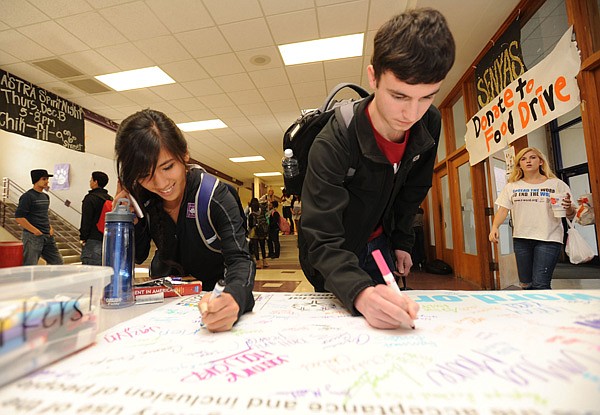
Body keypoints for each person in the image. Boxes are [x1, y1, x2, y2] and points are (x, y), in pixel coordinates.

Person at [299, 8, 455, 329]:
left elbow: (413, 188)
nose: (411, 113)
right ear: (373, 77)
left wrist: (402, 241)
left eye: (426, 97)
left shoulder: (429, 121)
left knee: (395, 324)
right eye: (398, 95)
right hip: (333, 253)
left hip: (381, 243)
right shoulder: (334, 140)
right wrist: (358, 292)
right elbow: (321, 235)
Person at [114, 109, 254, 332]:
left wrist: (234, 297)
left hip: (212, 305)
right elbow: (138, 255)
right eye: (144, 175)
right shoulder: (143, 199)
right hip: (166, 311)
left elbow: (240, 260)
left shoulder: (213, 196)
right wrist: (123, 220)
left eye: (167, 167)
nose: (160, 183)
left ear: (184, 154)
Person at [489, 147, 575, 290]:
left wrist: (569, 208)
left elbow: (571, 214)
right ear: (519, 165)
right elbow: (503, 209)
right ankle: (530, 311)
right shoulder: (512, 186)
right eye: (523, 159)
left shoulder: (556, 184)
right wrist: (494, 227)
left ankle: (545, 312)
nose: (528, 161)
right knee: (526, 284)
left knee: (541, 284)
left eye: (532, 157)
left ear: (541, 161)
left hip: (549, 238)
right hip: (521, 239)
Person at [14, 169, 64, 265]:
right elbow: (19, 217)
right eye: (44, 179)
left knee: (58, 262)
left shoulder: (45, 197)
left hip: (47, 236)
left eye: (47, 179)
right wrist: (35, 231)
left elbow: (44, 214)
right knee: (30, 265)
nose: (47, 181)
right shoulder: (27, 196)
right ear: (36, 180)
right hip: (33, 237)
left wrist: (50, 227)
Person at [79, 171, 113, 265]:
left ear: (96, 182)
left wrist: (83, 237)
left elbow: (86, 220)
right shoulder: (110, 199)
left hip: (93, 240)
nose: (90, 182)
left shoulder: (90, 198)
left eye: (91, 180)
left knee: (90, 273)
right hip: (107, 241)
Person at [248, 197, 269, 269]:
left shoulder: (251, 215)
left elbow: (250, 225)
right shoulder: (262, 213)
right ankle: (265, 262)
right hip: (262, 232)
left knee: (256, 248)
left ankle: (258, 263)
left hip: (254, 233)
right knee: (263, 247)